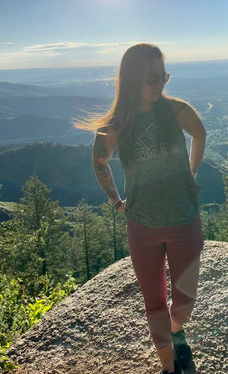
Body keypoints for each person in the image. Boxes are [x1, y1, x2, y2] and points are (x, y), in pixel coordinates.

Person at [76, 43, 206, 374]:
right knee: (155, 303)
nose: (160, 84)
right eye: (152, 78)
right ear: (132, 79)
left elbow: (200, 133)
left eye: (163, 76)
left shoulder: (176, 110)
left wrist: (191, 173)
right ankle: (169, 368)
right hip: (142, 226)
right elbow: (99, 162)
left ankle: (177, 329)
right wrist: (116, 201)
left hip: (184, 219)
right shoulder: (117, 123)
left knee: (185, 303)